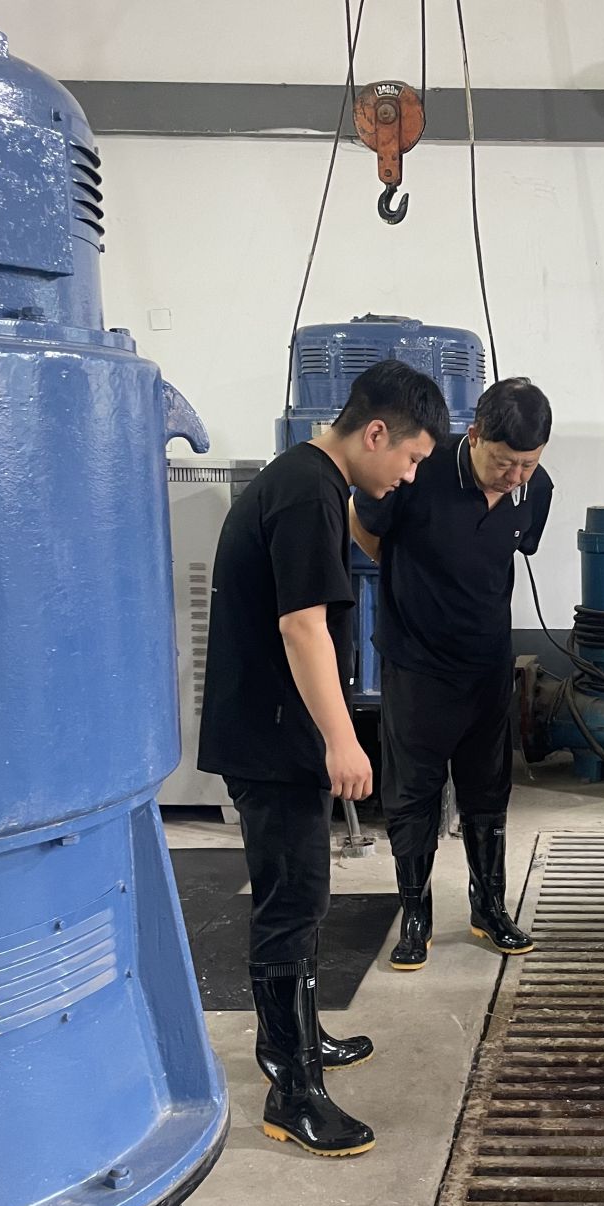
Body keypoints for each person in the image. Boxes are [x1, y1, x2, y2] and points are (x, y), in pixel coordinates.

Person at [198, 359, 451, 1157]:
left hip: (272, 730)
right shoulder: (309, 490)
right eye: (410, 457)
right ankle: (293, 1091)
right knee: (294, 904)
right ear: (375, 433)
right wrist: (343, 739)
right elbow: (302, 625)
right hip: (274, 739)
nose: (410, 476)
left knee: (299, 899)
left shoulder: (307, 480)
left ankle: (296, 1041)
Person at [350, 378, 555, 972]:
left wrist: (524, 476)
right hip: (417, 664)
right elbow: (361, 517)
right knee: (412, 795)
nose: (514, 476)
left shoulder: (535, 486)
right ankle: (415, 917)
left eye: (527, 464)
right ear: (475, 435)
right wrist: (404, 573)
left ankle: (488, 907)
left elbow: (511, 547)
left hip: (487, 663)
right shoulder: (420, 469)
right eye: (504, 462)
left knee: (488, 792)